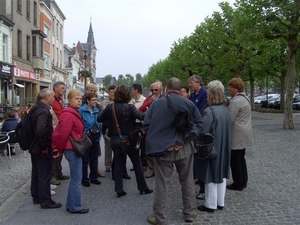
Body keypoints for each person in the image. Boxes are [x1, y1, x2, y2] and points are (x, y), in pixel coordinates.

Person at [144, 78, 203, 225]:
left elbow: (146, 126)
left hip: (163, 150)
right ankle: (190, 212)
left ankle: (160, 217)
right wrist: (182, 141)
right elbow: (200, 125)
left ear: (166, 89)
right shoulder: (189, 103)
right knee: (187, 181)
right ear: (179, 88)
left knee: (162, 184)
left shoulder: (156, 104)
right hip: (185, 148)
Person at [98, 85, 153, 198]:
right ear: (127, 95)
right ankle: (142, 187)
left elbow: (99, 118)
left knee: (117, 163)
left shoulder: (110, 107)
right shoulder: (130, 107)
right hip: (128, 139)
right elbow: (142, 117)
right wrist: (150, 108)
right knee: (137, 163)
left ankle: (119, 189)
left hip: (114, 139)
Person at [196, 80, 232, 213]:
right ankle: (219, 201)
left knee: (210, 172)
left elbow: (202, 130)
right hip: (224, 144)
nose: (206, 98)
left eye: (207, 96)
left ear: (211, 96)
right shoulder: (225, 110)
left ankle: (210, 204)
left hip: (212, 147)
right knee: (221, 173)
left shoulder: (210, 111)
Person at [52, 89, 89, 214]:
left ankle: (70, 204)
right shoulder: (68, 114)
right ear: (69, 100)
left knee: (75, 178)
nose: (79, 100)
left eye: (80, 98)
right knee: (76, 179)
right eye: (76, 98)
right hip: (72, 148)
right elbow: (63, 134)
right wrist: (60, 150)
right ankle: (75, 206)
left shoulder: (72, 112)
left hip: (73, 148)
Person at [29, 88, 61, 209]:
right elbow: (41, 130)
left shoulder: (35, 108)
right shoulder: (43, 111)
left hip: (33, 145)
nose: (54, 98)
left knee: (36, 172)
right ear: (47, 97)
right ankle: (46, 200)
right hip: (40, 146)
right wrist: (44, 146)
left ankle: (36, 196)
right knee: (44, 173)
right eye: (52, 96)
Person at [227, 78, 253, 191]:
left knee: (235, 159)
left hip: (237, 133)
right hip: (245, 131)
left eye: (231, 87)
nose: (229, 89)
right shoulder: (246, 98)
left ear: (236, 88)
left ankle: (238, 183)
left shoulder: (236, 101)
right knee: (241, 158)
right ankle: (243, 181)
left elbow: (229, 118)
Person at [188, 74, 207, 200]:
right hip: (193, 128)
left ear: (199, 82)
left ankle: (203, 187)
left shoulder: (204, 94)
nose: (190, 85)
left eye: (192, 83)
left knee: (200, 158)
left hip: (200, 129)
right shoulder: (193, 95)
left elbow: (199, 111)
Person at [139, 81, 163, 178]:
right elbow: (140, 110)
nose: (153, 92)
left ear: (160, 90)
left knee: (160, 150)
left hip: (160, 128)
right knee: (148, 150)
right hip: (148, 129)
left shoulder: (164, 98)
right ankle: (151, 169)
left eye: (156, 90)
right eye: (152, 90)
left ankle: (160, 169)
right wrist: (149, 102)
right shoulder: (148, 99)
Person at [78, 92, 102, 187]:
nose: (95, 101)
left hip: (96, 137)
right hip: (85, 138)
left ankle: (94, 177)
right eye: (93, 99)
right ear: (88, 100)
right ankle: (85, 178)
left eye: (96, 99)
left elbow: (101, 121)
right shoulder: (81, 110)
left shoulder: (97, 110)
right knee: (85, 159)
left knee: (94, 158)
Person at [51, 81, 69, 186]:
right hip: (54, 129)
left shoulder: (59, 100)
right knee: (55, 153)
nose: (64, 90)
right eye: (62, 88)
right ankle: (53, 175)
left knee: (59, 151)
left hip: (60, 128)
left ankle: (58, 173)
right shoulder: (52, 99)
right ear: (56, 88)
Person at [129, 83, 147, 172]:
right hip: (133, 124)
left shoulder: (144, 100)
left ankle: (144, 164)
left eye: (132, 89)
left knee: (142, 145)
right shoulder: (131, 101)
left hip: (141, 124)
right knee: (134, 145)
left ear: (136, 90)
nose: (131, 91)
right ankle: (136, 163)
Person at [101, 85, 116, 173]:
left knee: (117, 147)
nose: (112, 94)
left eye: (114, 92)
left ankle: (116, 164)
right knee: (108, 147)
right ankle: (108, 165)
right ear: (108, 92)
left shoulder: (119, 101)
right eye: (111, 92)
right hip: (107, 127)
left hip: (117, 127)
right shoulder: (104, 102)